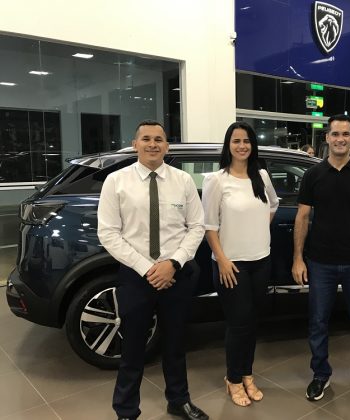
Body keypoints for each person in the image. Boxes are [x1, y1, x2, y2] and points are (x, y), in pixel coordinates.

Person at [98, 120, 209, 420]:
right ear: (135, 144)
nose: (152, 144)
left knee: (176, 344)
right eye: (146, 138)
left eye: (159, 139)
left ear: (167, 146)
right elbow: (108, 233)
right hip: (136, 276)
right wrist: (149, 269)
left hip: (177, 275)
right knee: (133, 348)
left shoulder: (182, 181)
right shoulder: (116, 182)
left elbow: (196, 227)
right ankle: (126, 410)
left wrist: (173, 264)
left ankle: (179, 400)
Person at [292, 114, 350, 405]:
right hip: (320, 262)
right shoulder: (313, 175)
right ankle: (320, 374)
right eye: (335, 134)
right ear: (327, 138)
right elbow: (302, 217)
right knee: (318, 322)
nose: (340, 139)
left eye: (346, 134)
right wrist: (298, 258)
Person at [202, 122, 279, 407]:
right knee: (238, 323)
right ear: (228, 145)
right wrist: (222, 259)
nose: (242, 146)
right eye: (236, 141)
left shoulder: (261, 175)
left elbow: (273, 205)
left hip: (261, 260)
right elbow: (209, 225)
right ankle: (233, 379)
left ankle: (247, 373)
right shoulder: (216, 180)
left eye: (247, 141)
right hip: (231, 265)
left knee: (252, 322)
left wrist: (258, 228)